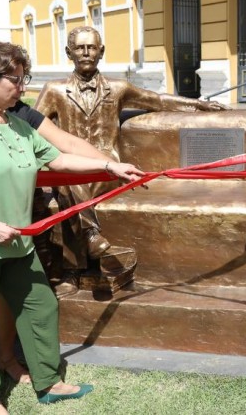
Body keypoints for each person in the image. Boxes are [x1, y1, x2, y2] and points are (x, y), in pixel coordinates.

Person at [0, 41, 145, 414]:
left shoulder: (18, 125)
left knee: (41, 306)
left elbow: (61, 156)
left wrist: (111, 166)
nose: (23, 88)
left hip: (19, 243)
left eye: (25, 79)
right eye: (17, 80)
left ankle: (49, 382)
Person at [35, 26, 230, 297]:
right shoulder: (54, 90)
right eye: (80, 48)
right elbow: (32, 126)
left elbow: (158, 100)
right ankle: (82, 255)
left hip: (107, 163)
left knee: (70, 185)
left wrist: (198, 105)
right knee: (68, 181)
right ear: (69, 53)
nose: (86, 53)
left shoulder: (118, 88)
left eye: (91, 47)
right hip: (71, 161)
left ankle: (74, 268)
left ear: (101, 52)